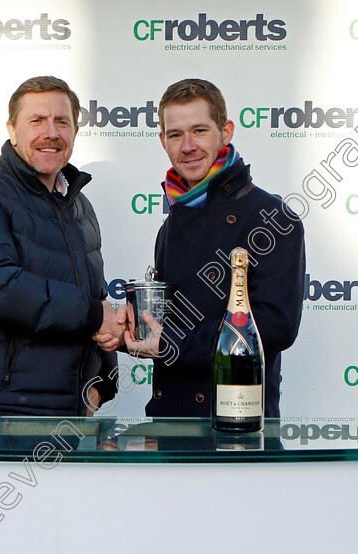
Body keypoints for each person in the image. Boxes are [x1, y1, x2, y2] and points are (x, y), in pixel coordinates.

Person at [124, 79, 305, 419]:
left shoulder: (272, 217)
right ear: (163, 141)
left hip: (236, 422)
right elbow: (171, 325)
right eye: (175, 135)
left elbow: (274, 327)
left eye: (199, 131)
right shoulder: (172, 221)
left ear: (226, 132)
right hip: (169, 422)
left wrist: (171, 345)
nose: (187, 146)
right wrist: (132, 330)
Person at [0, 76, 121, 416]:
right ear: (12, 130)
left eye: (61, 122)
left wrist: (100, 385)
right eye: (36, 121)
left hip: (72, 412)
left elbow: (95, 297)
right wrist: (97, 315)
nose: (50, 133)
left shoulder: (79, 205)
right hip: (9, 412)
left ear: (75, 132)